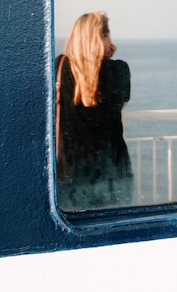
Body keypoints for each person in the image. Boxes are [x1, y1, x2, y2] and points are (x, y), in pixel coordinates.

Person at [56, 12, 133, 211]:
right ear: (100, 38)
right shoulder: (119, 70)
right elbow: (120, 104)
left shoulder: (60, 66)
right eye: (107, 36)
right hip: (113, 171)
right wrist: (108, 59)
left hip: (71, 172)